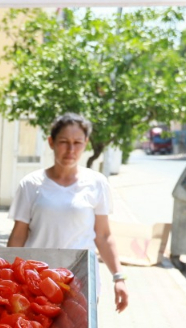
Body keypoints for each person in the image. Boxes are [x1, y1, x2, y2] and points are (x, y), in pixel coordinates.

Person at [7, 113, 130, 312]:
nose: (70, 149)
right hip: (36, 281)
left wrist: (119, 278)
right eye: (64, 142)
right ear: (51, 142)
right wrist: (9, 276)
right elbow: (19, 234)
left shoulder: (97, 183)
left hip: (80, 281)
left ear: (86, 144)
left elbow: (104, 235)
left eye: (77, 142)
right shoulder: (31, 184)